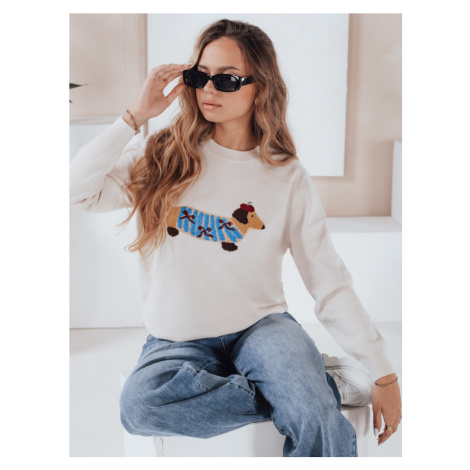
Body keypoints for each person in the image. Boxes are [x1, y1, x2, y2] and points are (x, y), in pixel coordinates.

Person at [70, 18, 402, 457]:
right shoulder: (162, 154)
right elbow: (75, 192)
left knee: (315, 417)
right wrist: (135, 117)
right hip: (177, 341)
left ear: (260, 88)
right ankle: (312, 387)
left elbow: (328, 281)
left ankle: (303, 391)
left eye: (226, 80)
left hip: (262, 329)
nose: (208, 90)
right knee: (141, 407)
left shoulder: (287, 177)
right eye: (199, 76)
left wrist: (384, 373)